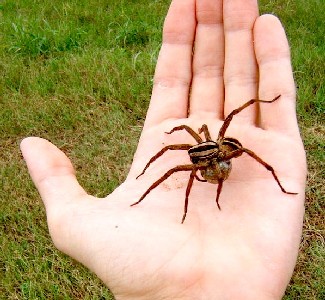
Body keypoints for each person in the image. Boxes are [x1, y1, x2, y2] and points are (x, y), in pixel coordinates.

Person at [20, 0, 306, 299]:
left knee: (223, 130)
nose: (193, 155)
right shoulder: (196, 147)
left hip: (224, 149)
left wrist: (218, 181)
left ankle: (274, 176)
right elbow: (182, 138)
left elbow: (210, 136)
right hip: (217, 153)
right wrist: (157, 167)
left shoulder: (215, 146)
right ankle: (152, 192)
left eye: (197, 154)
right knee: (173, 157)